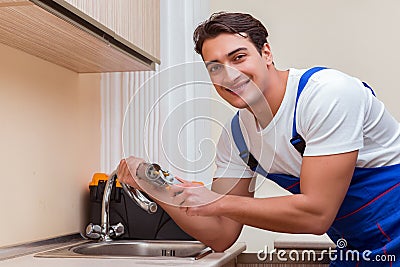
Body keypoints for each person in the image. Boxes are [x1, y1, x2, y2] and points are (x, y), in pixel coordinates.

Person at [117, 12, 399, 266]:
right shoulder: (237, 138)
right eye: (215, 67)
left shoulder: (326, 95)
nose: (229, 74)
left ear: (266, 53)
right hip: (357, 250)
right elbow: (221, 234)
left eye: (238, 58)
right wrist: (156, 187)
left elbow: (317, 213)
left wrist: (215, 201)